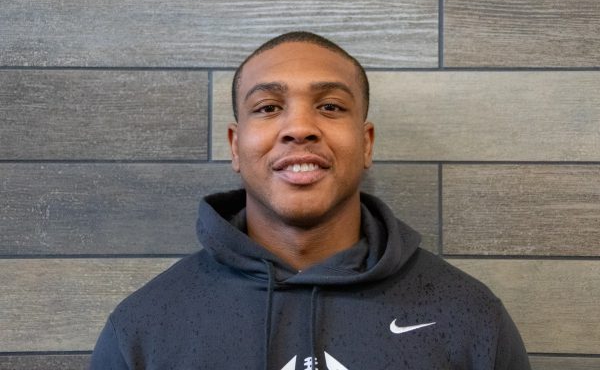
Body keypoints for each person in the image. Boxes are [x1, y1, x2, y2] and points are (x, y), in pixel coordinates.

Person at [90, 31, 531, 370]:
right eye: (267, 108)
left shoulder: (469, 316)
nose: (299, 127)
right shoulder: (144, 328)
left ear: (366, 143)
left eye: (331, 107)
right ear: (234, 146)